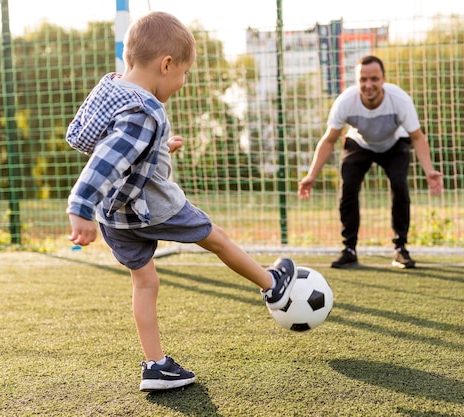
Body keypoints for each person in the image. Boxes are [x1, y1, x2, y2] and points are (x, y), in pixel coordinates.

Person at [65, 11, 297, 392]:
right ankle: (273, 285)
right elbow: (106, 159)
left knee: (144, 282)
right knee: (216, 238)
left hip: (116, 217)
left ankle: (155, 366)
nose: (183, 82)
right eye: (183, 73)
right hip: (152, 205)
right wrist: (79, 206)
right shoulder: (143, 110)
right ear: (166, 64)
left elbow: (89, 137)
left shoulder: (109, 89)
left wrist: (155, 147)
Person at [298, 55, 443, 269]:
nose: (368, 85)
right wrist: (311, 174)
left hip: (394, 143)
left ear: (383, 79)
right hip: (360, 143)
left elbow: (417, 137)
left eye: (374, 79)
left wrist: (429, 170)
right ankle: (349, 249)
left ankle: (400, 248)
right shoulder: (345, 102)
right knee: (348, 188)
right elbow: (329, 140)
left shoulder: (400, 100)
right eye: (363, 80)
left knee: (400, 186)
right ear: (357, 81)